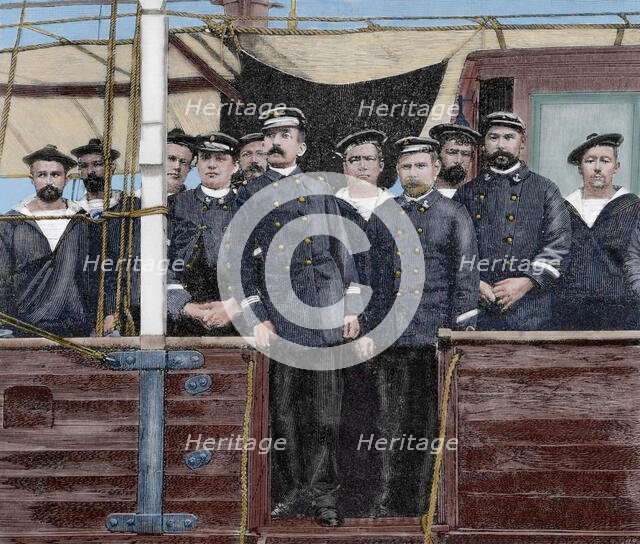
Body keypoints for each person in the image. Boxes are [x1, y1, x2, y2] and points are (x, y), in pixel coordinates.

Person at [235, 106, 361, 527]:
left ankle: (325, 497)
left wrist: (351, 304)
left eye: (285, 133)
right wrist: (256, 317)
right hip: (280, 317)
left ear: (301, 145)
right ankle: (291, 491)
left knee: (327, 415)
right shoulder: (250, 194)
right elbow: (238, 264)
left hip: (325, 316)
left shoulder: (321, 188)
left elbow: (343, 248)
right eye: (270, 134)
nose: (276, 140)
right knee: (284, 412)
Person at [362, 136, 479, 516]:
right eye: (406, 167)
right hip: (392, 337)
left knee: (431, 423)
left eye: (420, 166)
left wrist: (458, 332)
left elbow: (465, 276)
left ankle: (428, 504)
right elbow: (372, 276)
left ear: (435, 169)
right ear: (397, 171)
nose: (413, 173)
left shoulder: (453, 214)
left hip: (435, 337)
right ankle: (387, 501)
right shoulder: (384, 214)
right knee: (388, 421)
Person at [453, 111, 571, 331]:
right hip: (478, 306)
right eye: (493, 137)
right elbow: (451, 247)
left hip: (530, 309)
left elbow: (559, 244)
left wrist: (526, 282)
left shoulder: (545, 189)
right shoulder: (466, 193)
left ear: (522, 142)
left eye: (509, 137)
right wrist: (474, 283)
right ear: (483, 144)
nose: (501, 145)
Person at [0, 145, 93, 337]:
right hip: (26, 322)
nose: (49, 181)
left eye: (55, 175)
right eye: (42, 175)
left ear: (66, 179)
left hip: (75, 322)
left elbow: (94, 272)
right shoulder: (11, 221)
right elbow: (3, 276)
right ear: (31, 179)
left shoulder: (83, 220)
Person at [555, 133, 640, 329]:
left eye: (605, 160)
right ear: (580, 167)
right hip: (569, 312)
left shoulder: (633, 207)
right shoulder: (563, 209)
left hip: (623, 311)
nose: (597, 168)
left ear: (616, 167)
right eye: (590, 161)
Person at [167, 132, 242, 335]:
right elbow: (159, 262)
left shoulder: (246, 207)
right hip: (183, 317)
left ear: (235, 166)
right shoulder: (176, 205)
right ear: (197, 164)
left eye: (220, 158)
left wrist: (234, 306)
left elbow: (260, 268)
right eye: (205, 158)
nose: (211, 165)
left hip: (235, 317)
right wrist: (184, 306)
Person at [70, 137, 121, 218]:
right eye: (84, 166)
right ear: (79, 170)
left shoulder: (128, 205)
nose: (90, 171)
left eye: (97, 164)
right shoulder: (73, 211)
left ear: (112, 167)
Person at [429, 123, 481, 198]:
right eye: (452, 152)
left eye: (465, 154)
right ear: (437, 154)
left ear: (471, 158)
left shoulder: (477, 197)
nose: (459, 160)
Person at [166, 127, 196, 197]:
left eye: (183, 162)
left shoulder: (195, 201)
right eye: (171, 159)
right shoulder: (138, 197)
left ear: (189, 168)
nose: (177, 167)